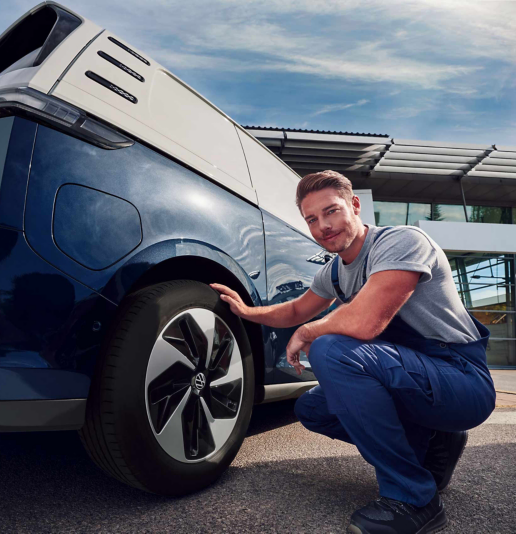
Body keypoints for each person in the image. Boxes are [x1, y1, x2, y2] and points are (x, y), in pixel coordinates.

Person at [211, 170, 495, 534]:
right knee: (312, 408)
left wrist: (311, 331)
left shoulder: (402, 242)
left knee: (333, 349)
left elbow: (366, 322)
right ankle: (434, 441)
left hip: (460, 378)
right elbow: (296, 309)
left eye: (331, 211)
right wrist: (247, 312)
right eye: (311, 219)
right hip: (415, 378)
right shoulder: (333, 273)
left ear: (355, 205)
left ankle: (414, 500)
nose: (323, 226)